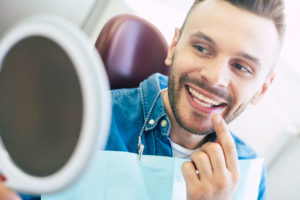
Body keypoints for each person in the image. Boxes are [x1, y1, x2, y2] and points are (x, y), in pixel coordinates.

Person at [0, 0, 285, 199]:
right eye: (201, 48)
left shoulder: (251, 176)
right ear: (174, 46)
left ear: (262, 89)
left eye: (241, 67)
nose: (214, 77)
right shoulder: (75, 121)